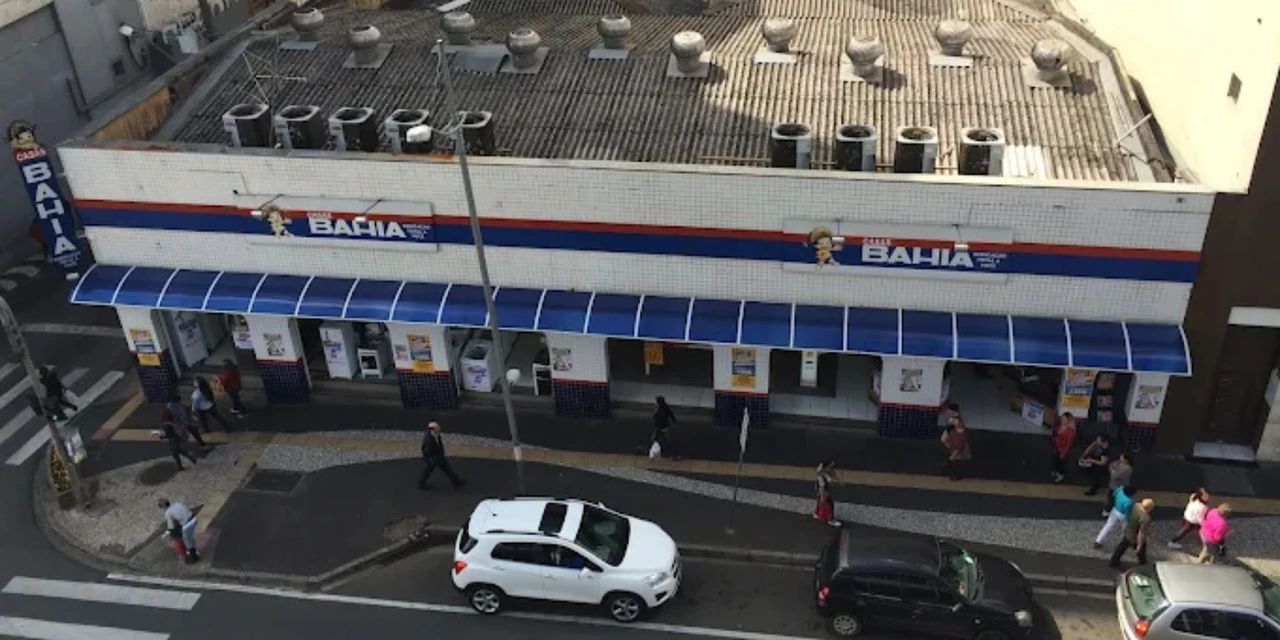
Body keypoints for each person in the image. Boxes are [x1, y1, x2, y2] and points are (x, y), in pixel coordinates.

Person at [1109, 498, 1155, 568]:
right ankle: (1143, 564)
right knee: (1141, 550)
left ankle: (1113, 561)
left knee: (1122, 546)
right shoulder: (1145, 518)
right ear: (1149, 508)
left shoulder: (1136, 505)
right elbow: (1141, 533)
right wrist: (1139, 545)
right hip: (1134, 535)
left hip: (1128, 529)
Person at [418, 421, 465, 490]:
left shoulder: (436, 435)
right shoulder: (429, 439)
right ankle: (421, 484)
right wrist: (430, 459)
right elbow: (427, 451)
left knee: (446, 469)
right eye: (437, 427)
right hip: (433, 459)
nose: (439, 428)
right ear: (433, 429)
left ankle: (456, 482)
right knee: (429, 471)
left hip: (438, 457)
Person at [159, 498, 199, 563]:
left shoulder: (168, 512)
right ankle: (193, 551)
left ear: (163, 507)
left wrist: (166, 533)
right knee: (190, 538)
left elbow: (171, 526)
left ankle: (194, 557)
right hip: (194, 519)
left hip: (187, 525)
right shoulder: (177, 504)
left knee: (188, 542)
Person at [940, 412, 970, 481]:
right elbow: (945, 439)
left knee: (953, 460)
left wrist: (956, 451)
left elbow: (961, 443)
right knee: (950, 462)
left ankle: (957, 475)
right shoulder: (952, 430)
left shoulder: (962, 432)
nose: (954, 421)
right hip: (953, 448)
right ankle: (955, 474)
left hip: (958, 449)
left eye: (956, 420)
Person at [1103, 451, 1133, 516]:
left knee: (1113, 499)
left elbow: (1116, 475)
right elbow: (1111, 466)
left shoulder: (1127, 468)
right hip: (1113, 486)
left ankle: (1109, 511)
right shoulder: (1118, 463)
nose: (1120, 458)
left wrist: (1113, 470)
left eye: (1122, 457)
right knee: (1111, 499)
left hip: (1120, 487)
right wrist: (1113, 470)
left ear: (1126, 459)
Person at [1050, 413, 1077, 483]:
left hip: (1063, 449)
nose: (1062, 420)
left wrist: (1063, 453)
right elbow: (1055, 434)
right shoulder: (1059, 426)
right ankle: (1057, 472)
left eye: (1064, 419)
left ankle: (1061, 475)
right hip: (1056, 447)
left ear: (1068, 420)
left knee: (1061, 463)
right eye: (1062, 418)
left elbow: (1068, 444)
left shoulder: (1071, 431)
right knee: (1055, 460)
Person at [651, 396, 679, 460]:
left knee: (662, 441)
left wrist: (657, 428)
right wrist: (674, 421)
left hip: (660, 428)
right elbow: (671, 414)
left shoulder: (659, 410)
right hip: (664, 427)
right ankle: (673, 454)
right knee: (664, 441)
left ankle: (673, 454)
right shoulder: (665, 407)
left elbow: (657, 419)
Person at [814, 460, 840, 526]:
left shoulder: (825, 472)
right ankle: (831, 519)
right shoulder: (821, 477)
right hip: (824, 491)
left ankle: (817, 513)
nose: (831, 468)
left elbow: (832, 475)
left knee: (820, 502)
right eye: (830, 467)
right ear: (825, 468)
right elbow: (821, 487)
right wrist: (822, 495)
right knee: (829, 505)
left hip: (824, 490)